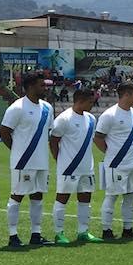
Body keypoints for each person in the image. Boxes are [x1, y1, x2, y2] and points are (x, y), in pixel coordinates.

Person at [1, 72, 54, 247]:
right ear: (30, 87)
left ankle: (36, 233)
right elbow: (4, 132)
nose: (44, 88)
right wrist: (17, 151)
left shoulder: (47, 108)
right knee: (17, 195)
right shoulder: (17, 107)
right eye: (41, 85)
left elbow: (49, 132)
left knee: (38, 196)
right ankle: (12, 235)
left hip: (41, 160)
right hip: (22, 160)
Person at [50, 88, 102, 244]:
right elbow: (53, 141)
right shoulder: (64, 119)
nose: (92, 105)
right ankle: (59, 233)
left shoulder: (91, 119)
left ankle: (83, 231)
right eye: (90, 102)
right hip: (68, 167)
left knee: (85, 198)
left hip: (87, 167)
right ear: (80, 101)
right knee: (62, 198)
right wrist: (59, 160)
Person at [93, 82, 133, 239]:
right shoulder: (109, 115)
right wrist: (110, 153)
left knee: (130, 197)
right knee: (112, 195)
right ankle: (106, 230)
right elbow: (98, 138)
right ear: (126, 95)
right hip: (116, 164)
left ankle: (128, 229)